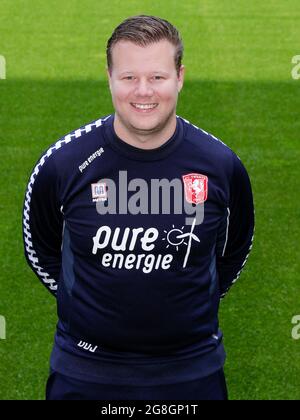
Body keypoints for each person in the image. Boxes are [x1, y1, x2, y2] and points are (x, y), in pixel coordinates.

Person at [22, 14, 255, 400]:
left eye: (157, 77)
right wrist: (84, 305)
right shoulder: (63, 164)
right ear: (109, 77)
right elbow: (40, 250)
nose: (143, 92)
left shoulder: (220, 165)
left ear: (180, 77)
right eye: (129, 77)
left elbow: (234, 250)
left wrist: (190, 300)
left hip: (192, 371)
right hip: (85, 372)